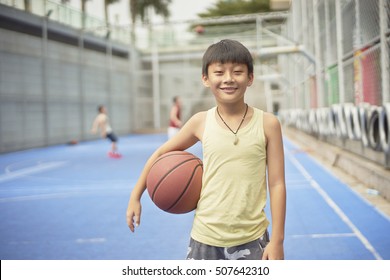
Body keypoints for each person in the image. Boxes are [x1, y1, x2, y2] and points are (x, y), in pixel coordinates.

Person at [126, 39, 286, 260]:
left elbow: (277, 184)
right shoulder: (200, 122)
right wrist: (136, 195)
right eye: (219, 72)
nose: (228, 78)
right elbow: (161, 154)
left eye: (238, 72)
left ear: (250, 78)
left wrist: (277, 240)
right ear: (205, 78)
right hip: (204, 238)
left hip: (253, 239)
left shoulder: (268, 124)